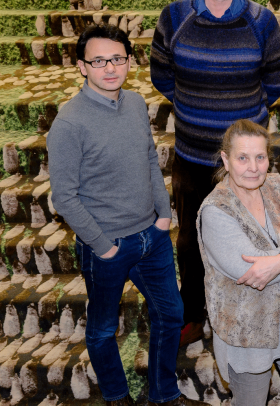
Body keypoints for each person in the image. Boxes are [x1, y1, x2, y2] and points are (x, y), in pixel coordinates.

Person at [47, 25, 206, 406]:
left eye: (117, 58)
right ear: (82, 66)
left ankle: (164, 394)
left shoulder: (134, 103)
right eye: (99, 61)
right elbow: (64, 198)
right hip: (106, 245)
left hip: (152, 237)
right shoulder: (69, 123)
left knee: (171, 315)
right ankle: (117, 396)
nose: (110, 68)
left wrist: (163, 214)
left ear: (130, 61)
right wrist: (102, 246)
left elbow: (150, 158)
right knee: (103, 329)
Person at [150, 0, 280, 345]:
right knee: (191, 241)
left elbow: (275, 81)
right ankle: (193, 314)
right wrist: (198, 109)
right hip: (193, 155)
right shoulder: (175, 17)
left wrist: (242, 126)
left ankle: (249, 313)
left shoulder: (261, 21)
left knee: (254, 236)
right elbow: (162, 75)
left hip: (246, 162)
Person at [196, 119, 280, 406]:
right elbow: (251, 271)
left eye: (260, 157)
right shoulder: (215, 211)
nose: (253, 167)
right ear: (226, 160)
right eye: (242, 158)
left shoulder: (278, 185)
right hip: (248, 333)